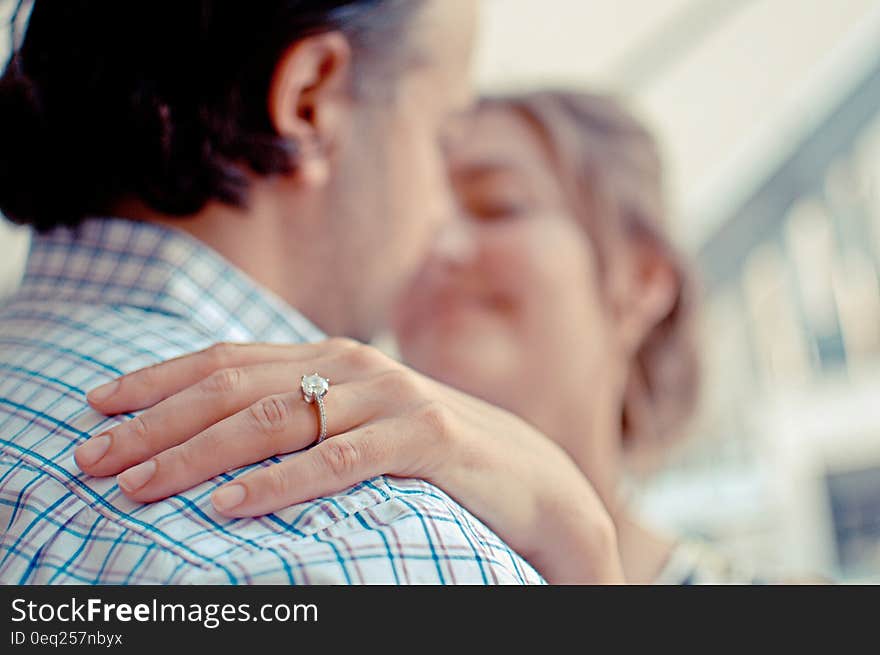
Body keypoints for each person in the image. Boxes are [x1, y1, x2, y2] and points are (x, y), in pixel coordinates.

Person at [0, 1, 623, 584]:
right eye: (442, 138)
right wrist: (584, 554)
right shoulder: (391, 546)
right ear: (308, 103)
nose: (439, 226)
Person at [75, 91, 759, 584]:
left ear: (641, 277)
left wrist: (581, 548)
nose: (442, 245)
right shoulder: (342, 537)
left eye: (498, 205)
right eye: (427, 213)